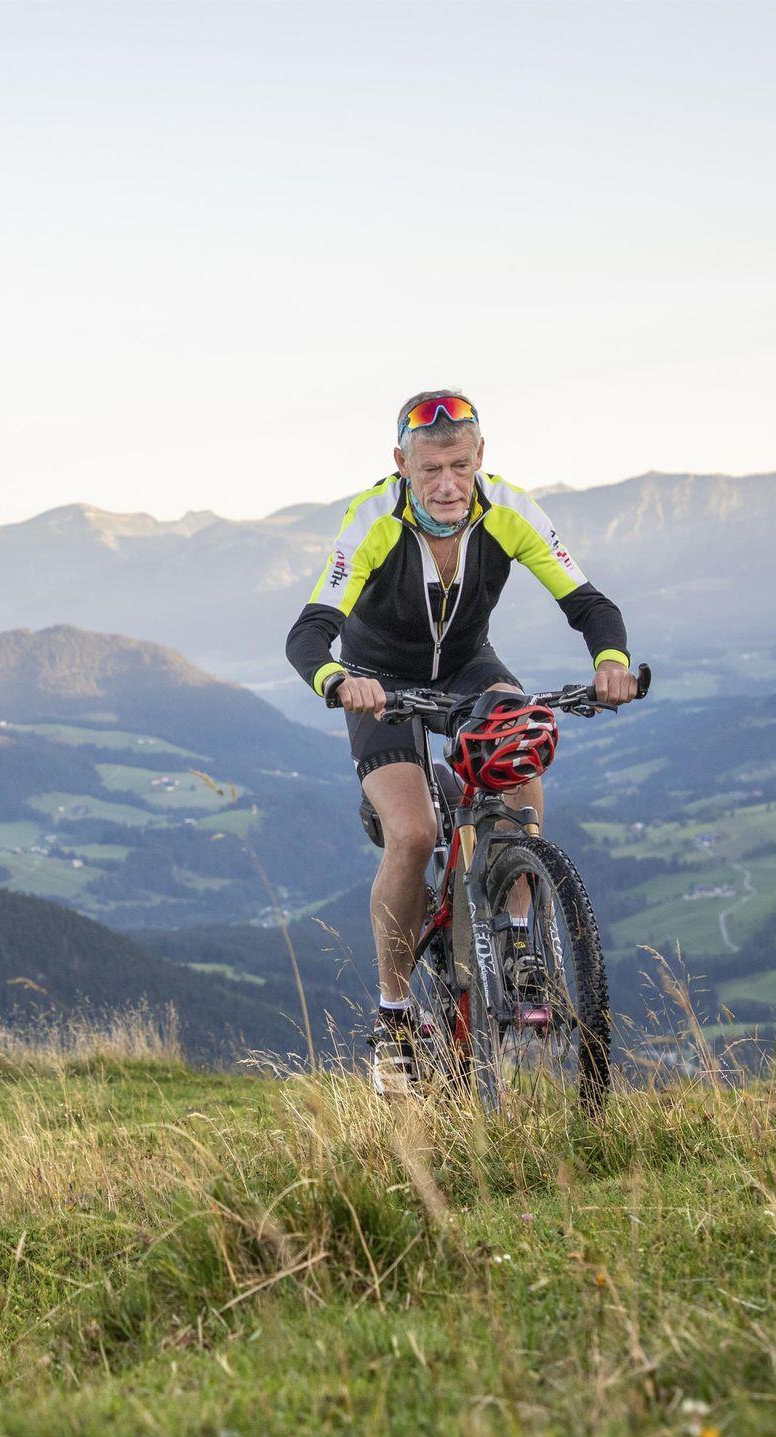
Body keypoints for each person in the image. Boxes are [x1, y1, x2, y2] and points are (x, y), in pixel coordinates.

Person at [284, 390, 636, 1088]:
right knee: (413, 834)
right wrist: (337, 679)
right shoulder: (372, 520)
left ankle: (519, 938)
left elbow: (588, 603)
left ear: (481, 458)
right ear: (401, 464)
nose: (447, 485)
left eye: (460, 467)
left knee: (521, 742)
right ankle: (394, 1017)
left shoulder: (508, 509)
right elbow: (310, 631)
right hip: (378, 681)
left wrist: (612, 662)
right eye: (430, 470)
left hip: (470, 665)